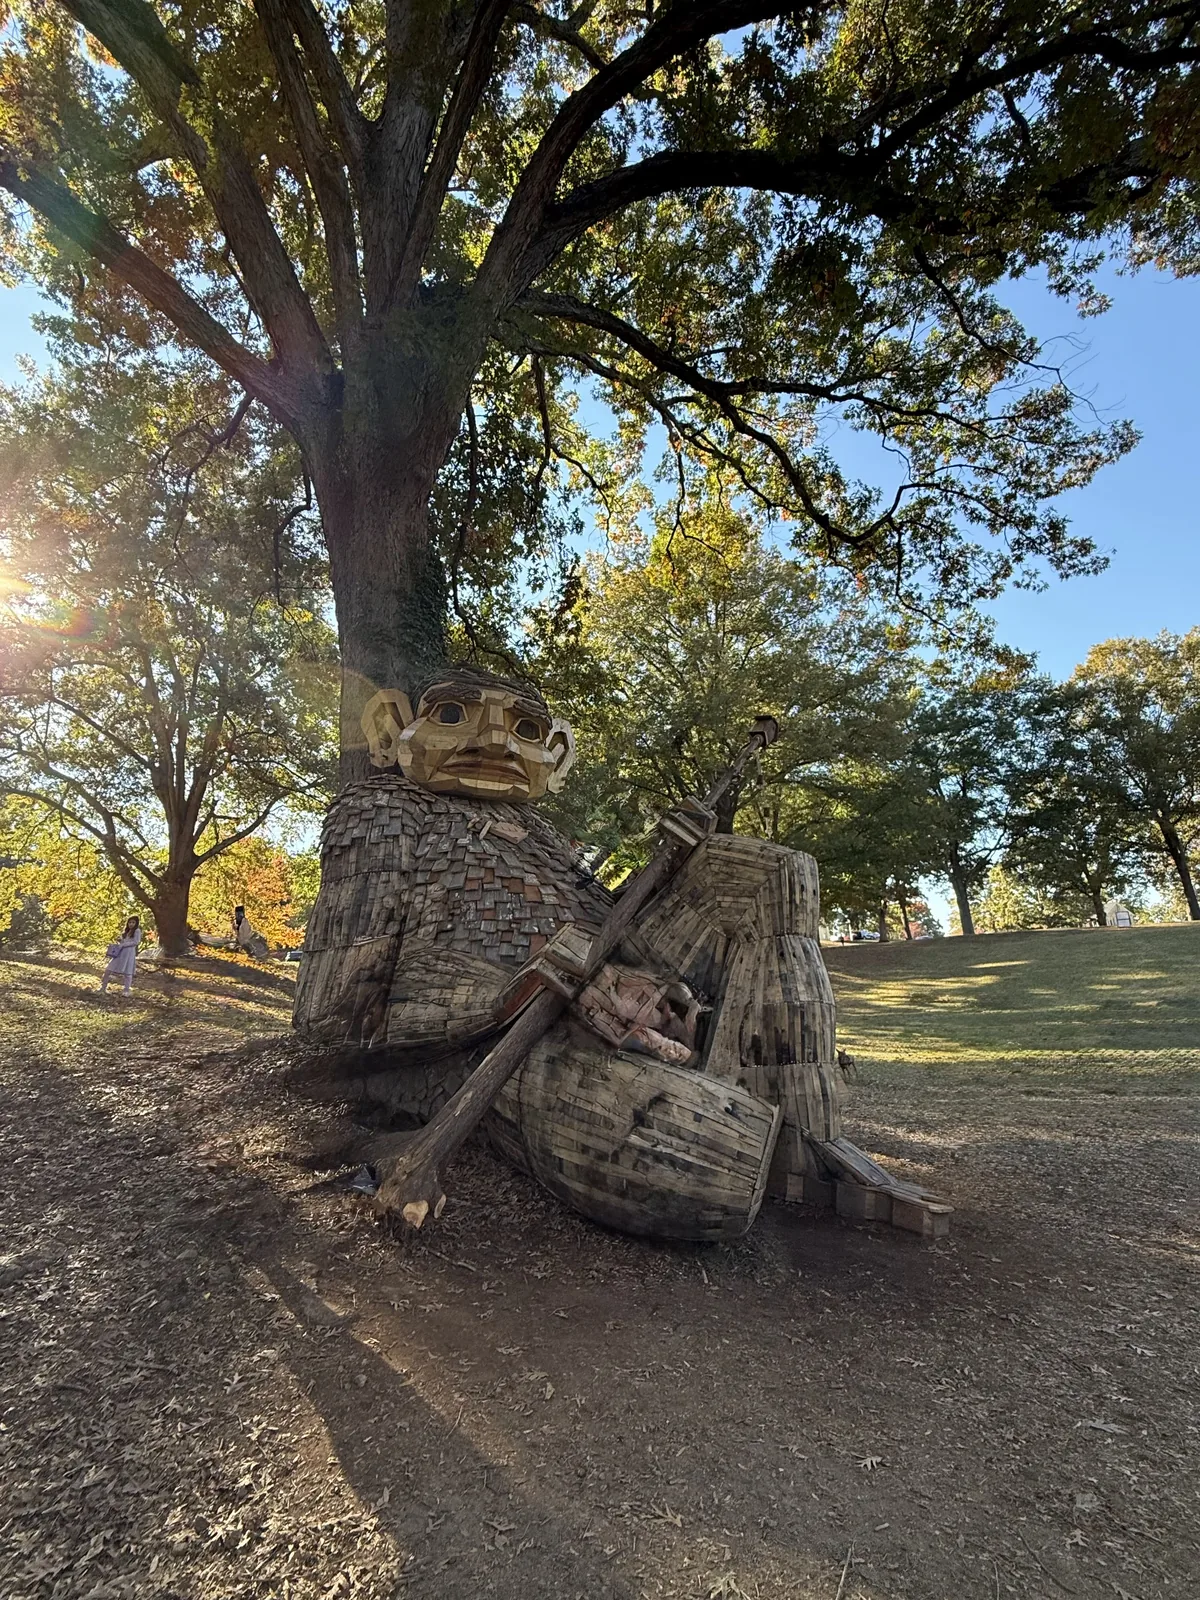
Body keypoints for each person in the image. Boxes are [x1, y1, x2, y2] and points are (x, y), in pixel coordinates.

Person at [100, 916, 142, 995]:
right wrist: (121, 941)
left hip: (129, 953)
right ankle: (103, 987)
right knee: (109, 969)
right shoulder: (127, 931)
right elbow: (124, 941)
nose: (131, 924)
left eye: (133, 922)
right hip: (121, 952)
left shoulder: (137, 931)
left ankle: (126, 990)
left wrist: (124, 944)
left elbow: (136, 942)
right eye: (130, 922)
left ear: (136, 923)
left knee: (128, 972)